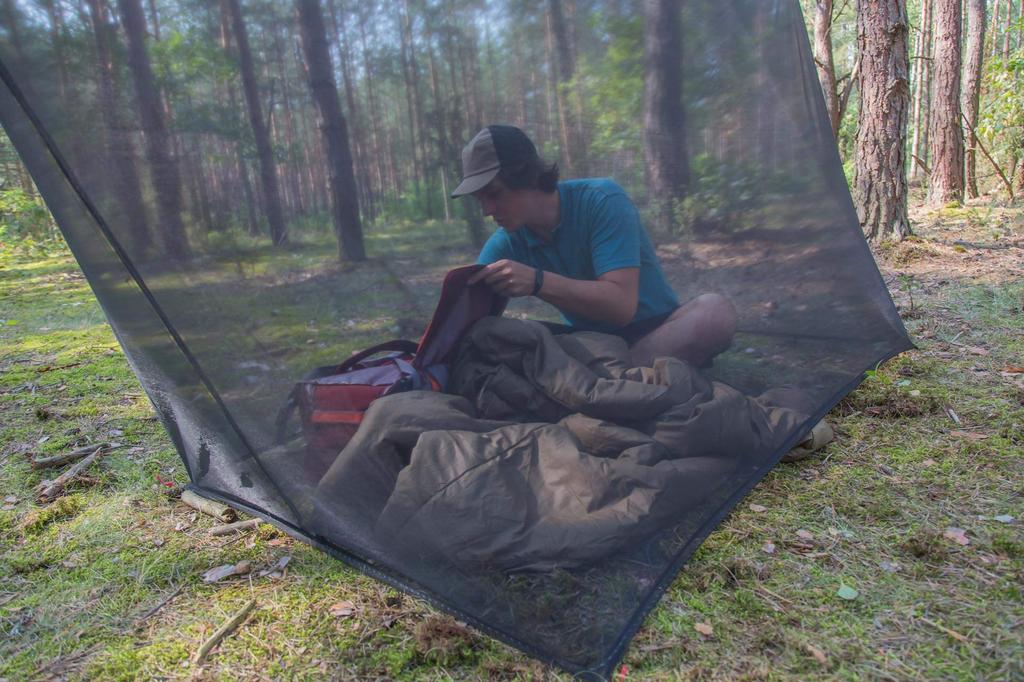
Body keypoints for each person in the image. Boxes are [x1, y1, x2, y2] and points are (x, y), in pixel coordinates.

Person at [455, 124, 736, 368]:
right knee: (498, 336)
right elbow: (462, 319)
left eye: (494, 194)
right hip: (590, 343)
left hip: (657, 331)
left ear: (526, 176)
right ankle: (618, 379)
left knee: (714, 314)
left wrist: (537, 281)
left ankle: (603, 379)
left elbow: (621, 307)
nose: (486, 210)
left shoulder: (602, 199)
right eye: (480, 199)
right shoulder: (506, 241)